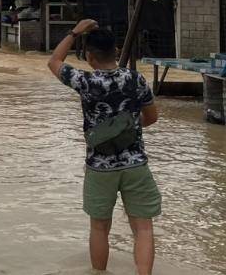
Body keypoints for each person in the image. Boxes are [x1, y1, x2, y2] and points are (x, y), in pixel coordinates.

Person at [48, 19, 160, 275]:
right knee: (143, 228)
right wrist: (129, 125)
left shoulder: (85, 81)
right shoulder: (134, 79)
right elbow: (152, 117)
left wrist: (74, 31)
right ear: (116, 51)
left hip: (99, 167)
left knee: (99, 228)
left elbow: (53, 61)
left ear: (89, 57)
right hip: (135, 164)